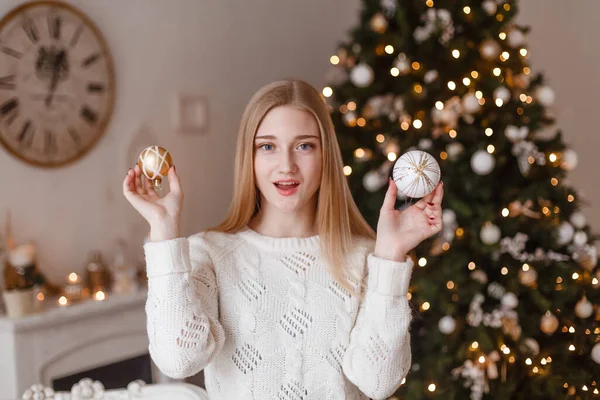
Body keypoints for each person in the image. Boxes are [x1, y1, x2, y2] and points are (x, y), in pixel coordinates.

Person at [123, 79, 443, 400]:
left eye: (304, 146)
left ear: (325, 156)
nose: (286, 166)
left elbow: (379, 382)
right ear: (250, 157)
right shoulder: (209, 253)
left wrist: (390, 254)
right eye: (268, 146)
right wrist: (164, 233)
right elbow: (178, 360)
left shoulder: (367, 258)